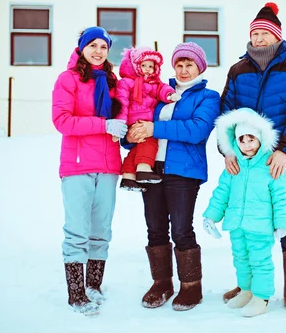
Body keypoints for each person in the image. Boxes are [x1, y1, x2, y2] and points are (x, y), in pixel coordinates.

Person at [220, 2, 286, 312]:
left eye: (265, 33)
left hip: (282, 158)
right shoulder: (238, 70)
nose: (259, 38)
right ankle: (248, 283)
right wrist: (227, 150)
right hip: (245, 159)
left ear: (277, 36)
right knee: (245, 219)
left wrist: (285, 149)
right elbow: (226, 114)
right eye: (255, 33)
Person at [126, 42, 220, 311]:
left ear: (200, 67)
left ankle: (191, 287)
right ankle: (161, 283)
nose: (183, 69)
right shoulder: (158, 93)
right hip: (151, 168)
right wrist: (132, 136)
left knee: (181, 229)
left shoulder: (208, 97)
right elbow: (140, 120)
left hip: (184, 171)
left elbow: (197, 130)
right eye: (179, 64)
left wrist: (154, 127)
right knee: (155, 228)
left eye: (189, 64)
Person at [51, 26, 128, 316]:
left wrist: (124, 126)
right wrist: (103, 124)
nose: (98, 51)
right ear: (82, 48)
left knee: (101, 231)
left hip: (108, 164)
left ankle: (94, 285)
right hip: (77, 165)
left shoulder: (111, 81)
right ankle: (76, 293)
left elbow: (122, 111)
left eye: (104, 47)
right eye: (93, 45)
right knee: (77, 232)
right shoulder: (68, 79)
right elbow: (62, 121)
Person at [202, 108, 286, 317]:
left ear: (261, 138)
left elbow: (281, 196)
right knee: (240, 258)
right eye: (242, 140)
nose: (247, 145)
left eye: (251, 139)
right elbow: (222, 192)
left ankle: (261, 297)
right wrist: (211, 216)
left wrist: (282, 222)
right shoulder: (234, 166)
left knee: (260, 261)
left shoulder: (272, 164)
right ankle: (246, 290)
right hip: (236, 224)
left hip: (260, 226)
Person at [116, 46, 181, 191]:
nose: (147, 69)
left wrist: (170, 95)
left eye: (151, 66)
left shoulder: (154, 84)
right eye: (143, 65)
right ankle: (144, 169)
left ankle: (128, 177)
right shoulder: (127, 82)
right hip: (134, 121)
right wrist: (120, 122)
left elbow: (162, 89)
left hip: (147, 120)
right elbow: (121, 102)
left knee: (137, 148)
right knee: (150, 142)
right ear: (135, 66)